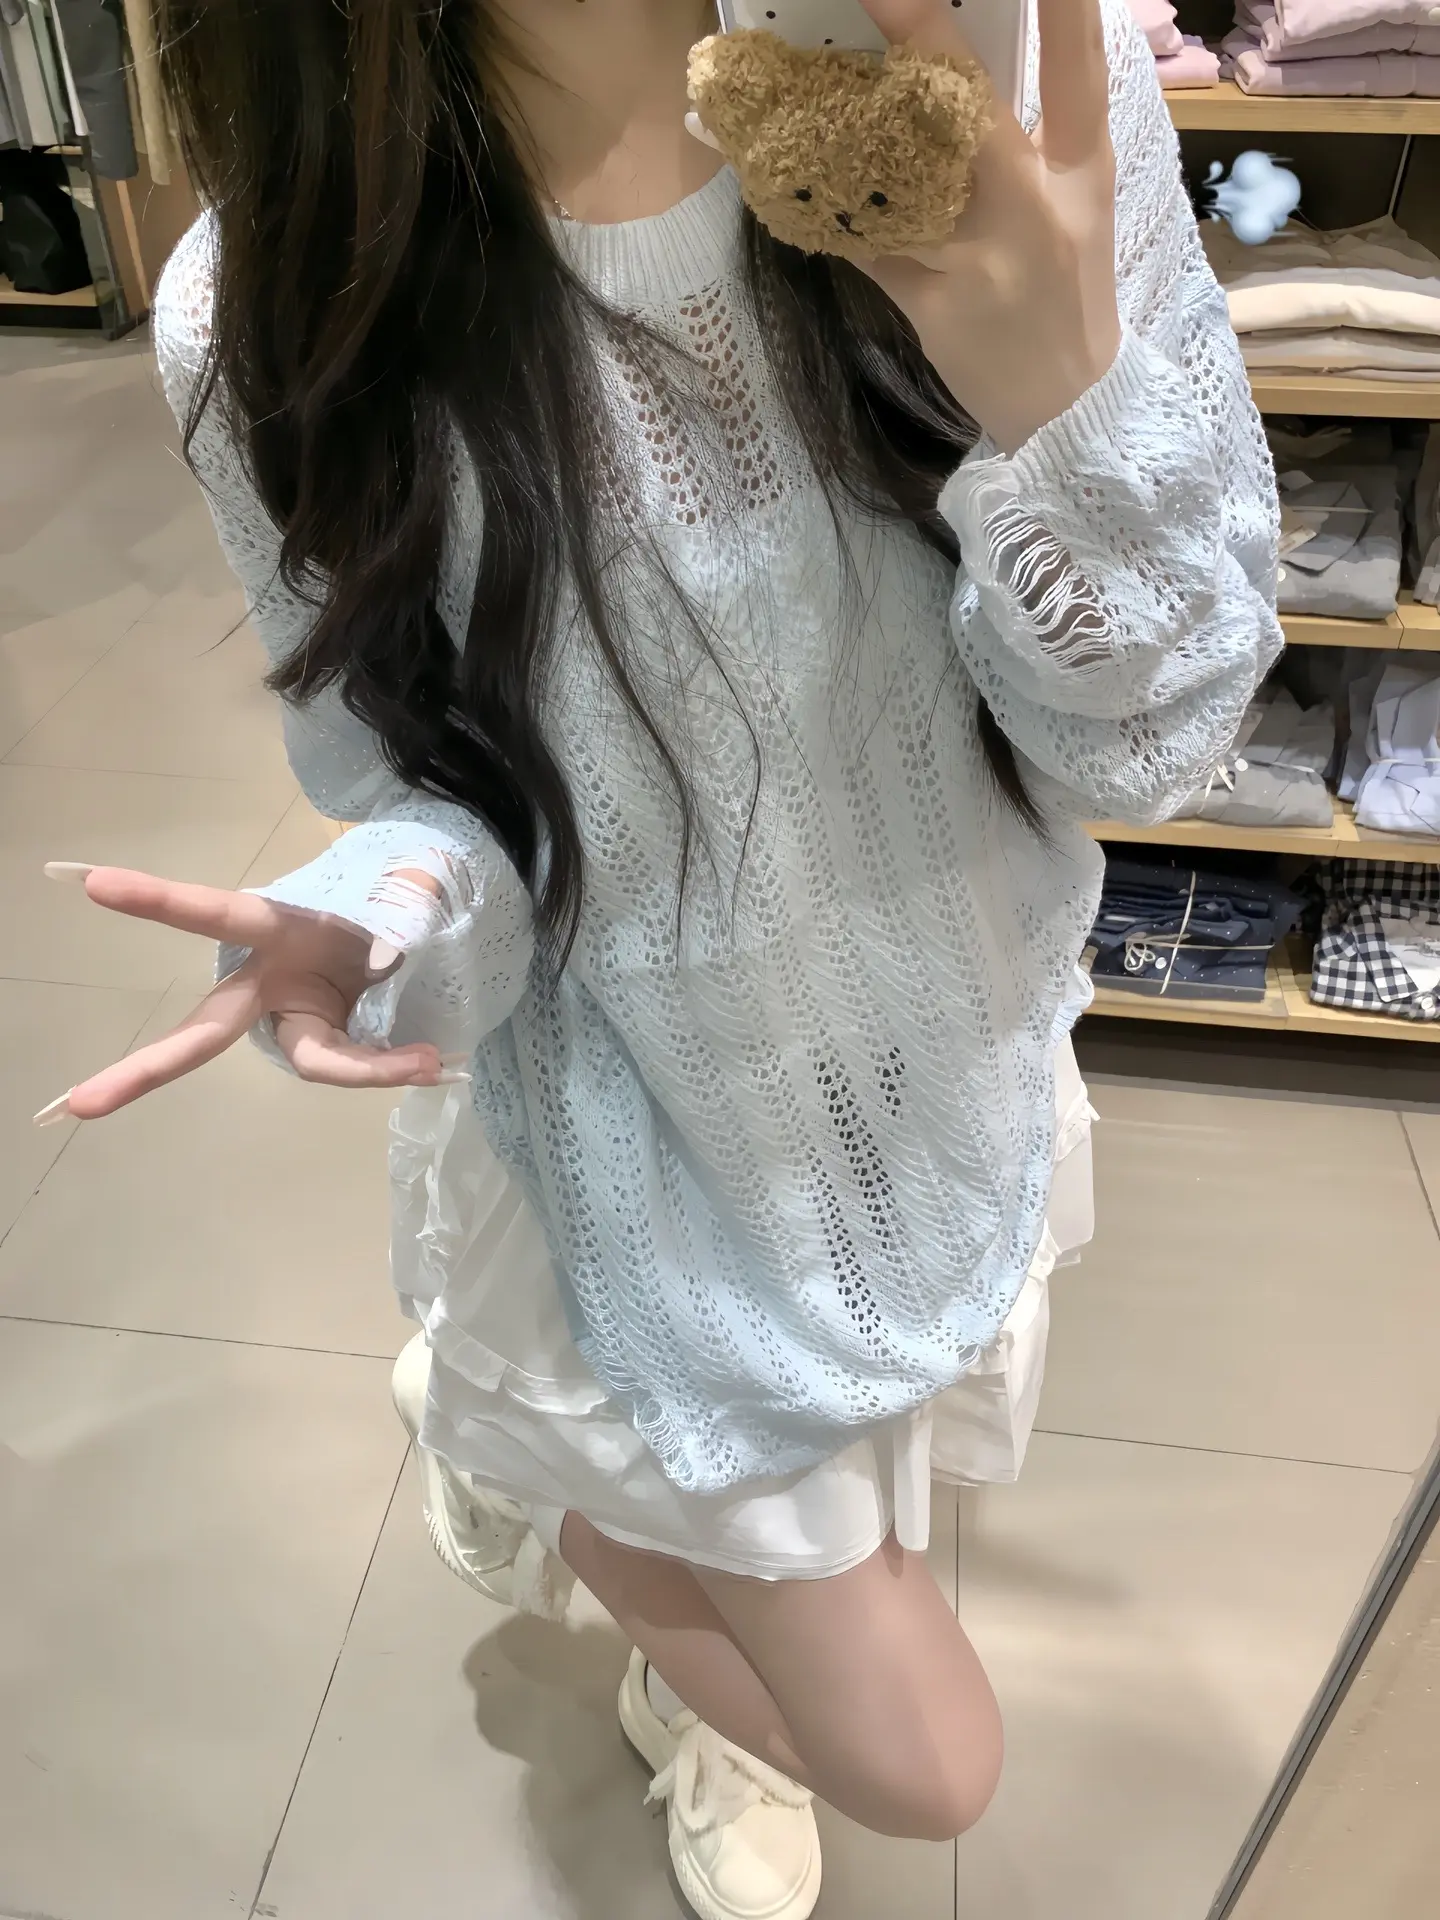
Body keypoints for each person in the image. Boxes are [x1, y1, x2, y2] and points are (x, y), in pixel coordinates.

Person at [36, 0, 1281, 1913]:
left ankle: (603, 1547)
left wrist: (1061, 410)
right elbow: (422, 788)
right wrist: (374, 914)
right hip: (639, 1128)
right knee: (925, 1766)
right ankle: (548, 1466)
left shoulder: (1021, 62)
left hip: (935, 1045)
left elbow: (1154, 743)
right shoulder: (275, 288)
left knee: (885, 1478)